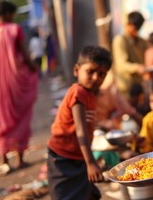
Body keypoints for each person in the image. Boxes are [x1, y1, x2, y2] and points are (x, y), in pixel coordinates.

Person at [47, 46, 112, 200]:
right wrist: (91, 162)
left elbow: (86, 123)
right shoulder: (78, 92)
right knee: (65, 195)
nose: (96, 78)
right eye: (90, 72)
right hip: (62, 157)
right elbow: (80, 131)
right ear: (76, 70)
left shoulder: (90, 94)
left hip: (78, 156)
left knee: (86, 192)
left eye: (101, 74)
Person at [0, 1, 38, 168]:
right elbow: (24, 55)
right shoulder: (15, 29)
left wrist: (0, 63)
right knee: (20, 116)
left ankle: (4, 159)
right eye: (12, 14)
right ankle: (20, 159)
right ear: (7, 14)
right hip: (16, 82)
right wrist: (32, 68)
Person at [112, 11, 148, 98]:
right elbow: (121, 65)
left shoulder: (142, 41)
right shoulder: (120, 40)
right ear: (127, 24)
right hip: (126, 88)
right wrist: (137, 68)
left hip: (139, 86)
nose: (135, 30)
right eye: (133, 27)